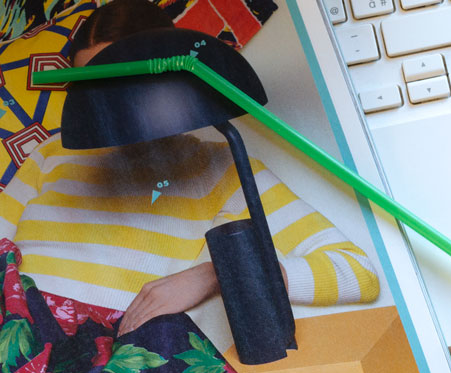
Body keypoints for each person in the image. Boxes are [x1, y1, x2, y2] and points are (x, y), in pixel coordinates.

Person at [0, 0, 379, 335]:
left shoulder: (216, 165)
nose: (104, 104)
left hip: (98, 357)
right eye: (88, 88)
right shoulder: (52, 152)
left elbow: (356, 271)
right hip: (13, 326)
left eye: (116, 82)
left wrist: (218, 273)